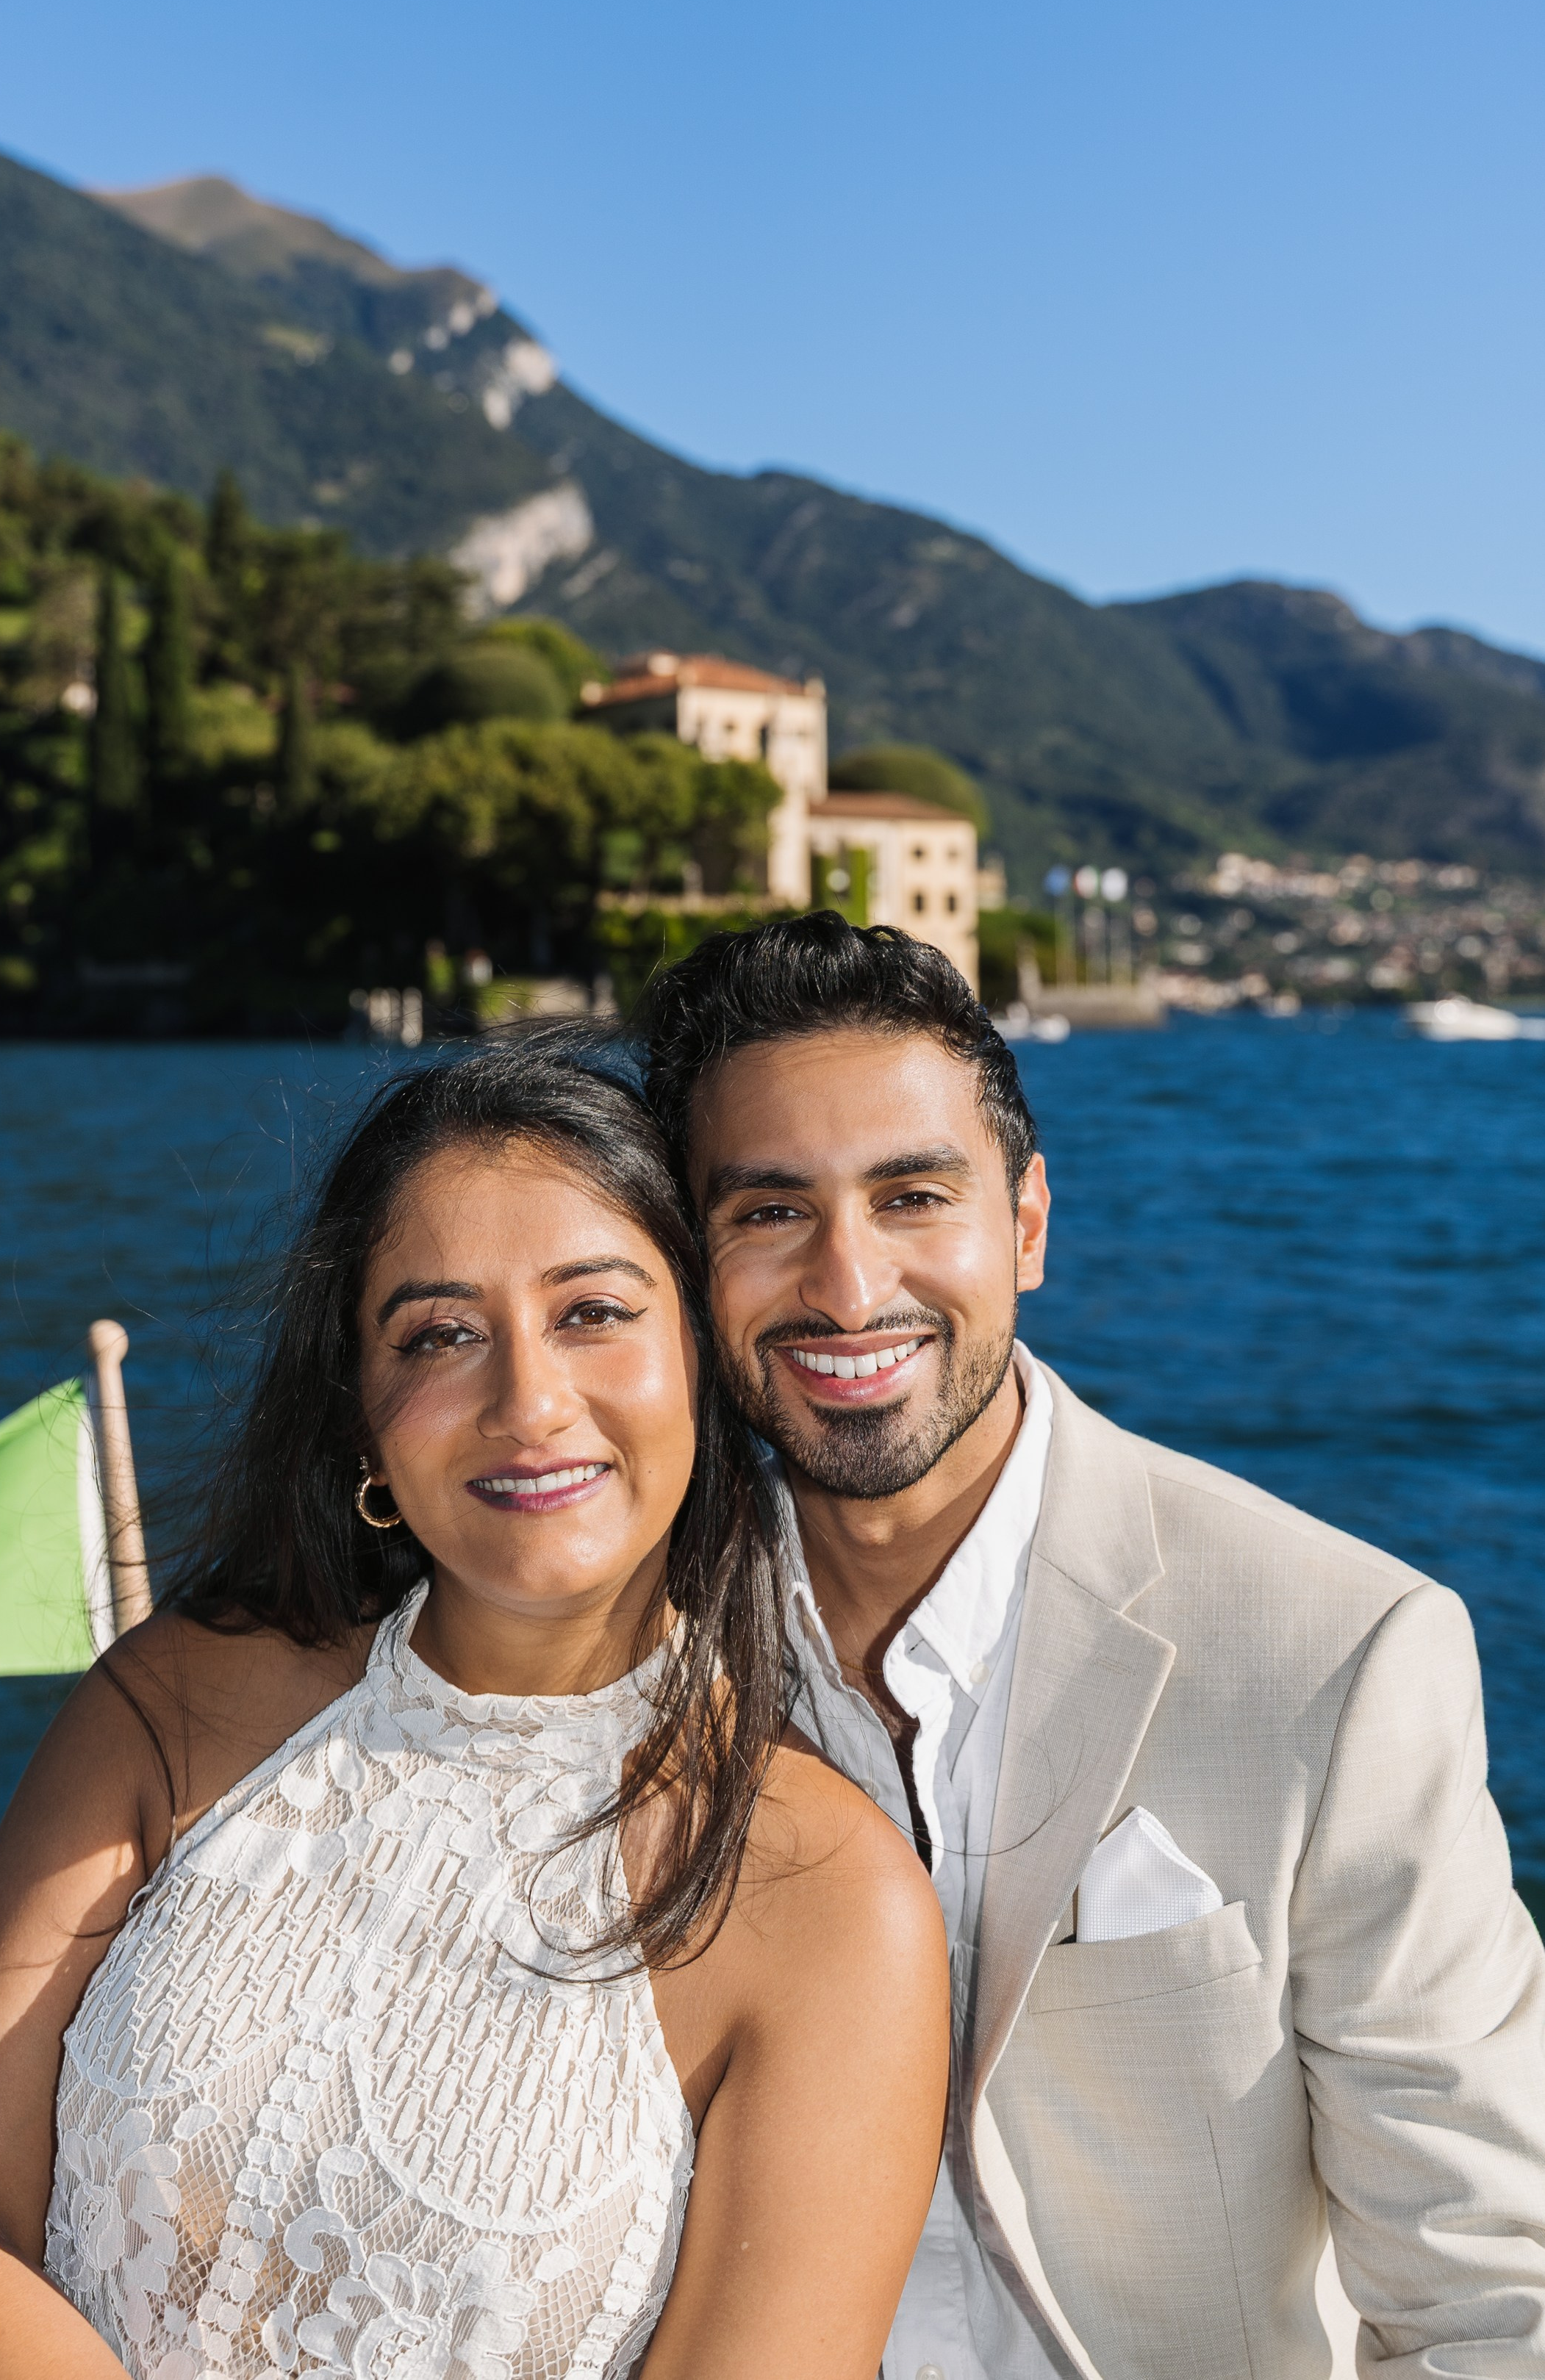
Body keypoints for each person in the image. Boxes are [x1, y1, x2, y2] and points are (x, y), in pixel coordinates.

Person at [0, 1046, 947, 2380]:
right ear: (365, 1422)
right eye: (439, 1334)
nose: (530, 1403)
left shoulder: (830, 1899)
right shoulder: (172, 1706)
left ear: (701, 1367)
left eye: (593, 1312)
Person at [637, 913, 1545, 2380]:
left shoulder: (1336, 1658)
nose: (848, 1285)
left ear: (1028, 1225)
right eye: (765, 1212)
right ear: (691, 1266)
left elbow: (1485, 2298)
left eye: (912, 1196)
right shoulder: (626, 1660)